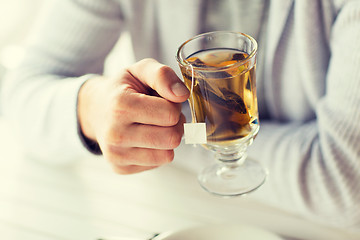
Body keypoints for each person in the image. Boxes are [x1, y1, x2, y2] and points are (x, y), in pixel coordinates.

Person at [2, 0, 360, 230]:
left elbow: (345, 182)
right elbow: (23, 98)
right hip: (169, 210)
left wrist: (168, 135)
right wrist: (92, 110)